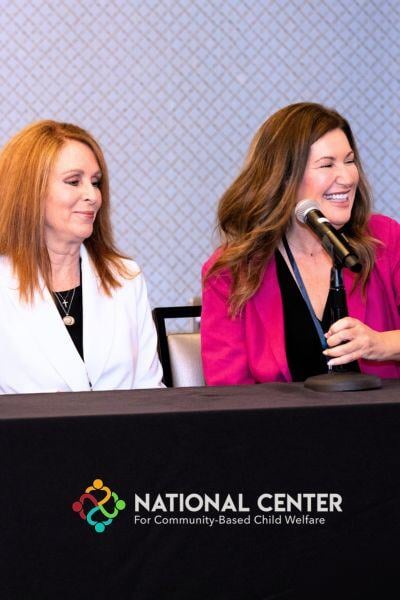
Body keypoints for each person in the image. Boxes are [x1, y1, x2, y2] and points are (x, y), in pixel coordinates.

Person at [201, 102, 400, 385]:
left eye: (350, 160)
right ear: (284, 178)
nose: (347, 177)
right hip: (280, 427)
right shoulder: (232, 271)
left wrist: (380, 343)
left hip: (383, 424)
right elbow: (228, 393)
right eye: (327, 164)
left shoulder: (386, 239)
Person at [0, 120, 163, 394]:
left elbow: (150, 390)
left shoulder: (125, 277)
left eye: (95, 182)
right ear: (29, 191)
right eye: (74, 181)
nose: (92, 196)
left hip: (124, 436)